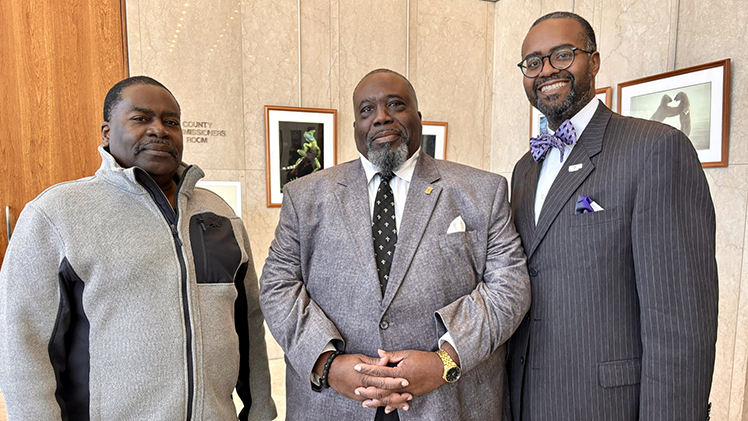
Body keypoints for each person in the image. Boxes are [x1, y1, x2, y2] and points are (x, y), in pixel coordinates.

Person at [0, 76, 276, 421]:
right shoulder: (57, 214)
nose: (159, 130)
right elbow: (22, 344)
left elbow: (248, 325)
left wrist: (261, 410)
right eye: (141, 118)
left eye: (171, 121)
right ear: (106, 132)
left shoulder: (220, 215)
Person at [260, 68, 530, 420]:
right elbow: (276, 286)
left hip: (447, 401)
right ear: (355, 126)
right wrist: (327, 363)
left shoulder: (482, 191)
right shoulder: (305, 196)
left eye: (395, 105)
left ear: (417, 117)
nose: (381, 117)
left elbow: (510, 286)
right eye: (366, 110)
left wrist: (443, 361)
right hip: (336, 403)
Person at [507, 11, 718, 421]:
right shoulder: (524, 169)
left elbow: (680, 322)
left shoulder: (655, 149)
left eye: (563, 55)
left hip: (607, 405)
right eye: (533, 62)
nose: (546, 70)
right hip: (527, 400)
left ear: (595, 61)